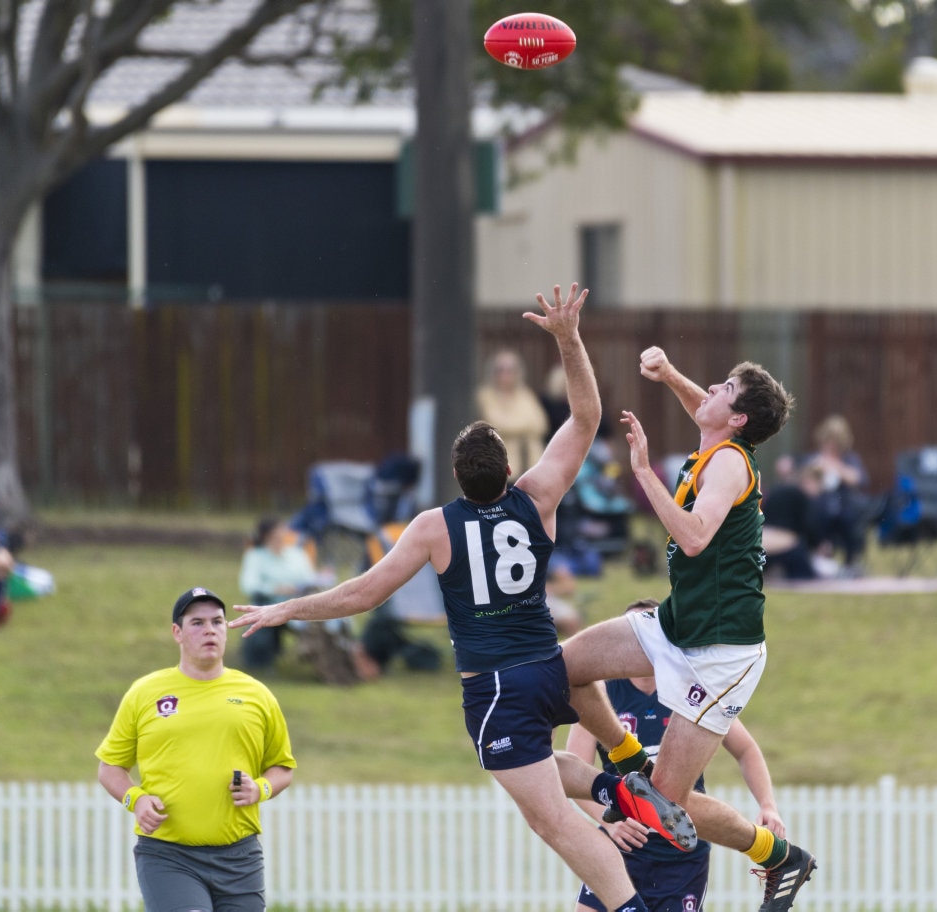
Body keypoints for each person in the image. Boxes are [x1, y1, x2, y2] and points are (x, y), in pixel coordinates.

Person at [231, 284, 690, 912]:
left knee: (554, 822)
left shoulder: (433, 527)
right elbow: (585, 417)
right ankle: (619, 783)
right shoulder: (537, 497)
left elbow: (363, 594)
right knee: (542, 766)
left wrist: (286, 607)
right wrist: (567, 337)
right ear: (508, 471)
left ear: (455, 476)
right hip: (549, 669)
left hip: (496, 690)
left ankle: (627, 904)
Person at [559, 346, 819, 912]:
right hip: (676, 627)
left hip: (722, 652)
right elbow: (704, 404)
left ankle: (779, 857)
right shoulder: (717, 439)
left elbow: (697, 536)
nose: (711, 390)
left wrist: (643, 474)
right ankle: (627, 755)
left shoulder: (728, 462)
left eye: (724, 388)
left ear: (739, 420)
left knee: (663, 801)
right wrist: (671, 373)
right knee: (565, 668)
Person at [567, 600, 787, 912]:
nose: (631, 646)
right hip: (623, 843)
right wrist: (609, 821)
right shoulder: (600, 694)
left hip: (682, 850)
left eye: (641, 637)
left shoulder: (689, 691)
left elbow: (746, 749)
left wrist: (768, 805)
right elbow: (576, 772)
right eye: (626, 635)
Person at [96, 587, 296, 912]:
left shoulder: (256, 694)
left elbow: (282, 768)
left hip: (240, 857)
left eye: (217, 622)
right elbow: (109, 768)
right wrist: (137, 799)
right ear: (177, 632)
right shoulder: (145, 693)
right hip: (169, 854)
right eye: (197, 623)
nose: (209, 631)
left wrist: (259, 789)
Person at [236, 516, 350, 681]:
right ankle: (260, 663)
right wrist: (276, 588)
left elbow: (309, 579)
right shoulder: (255, 556)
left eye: (284, 533)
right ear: (266, 536)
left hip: (300, 602)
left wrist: (321, 577)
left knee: (333, 620)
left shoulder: (296, 554)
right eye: (277, 534)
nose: (282, 537)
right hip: (269, 603)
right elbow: (249, 585)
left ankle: (335, 663)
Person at [799, 414, 871, 572]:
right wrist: (815, 470)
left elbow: (859, 479)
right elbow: (802, 485)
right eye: (828, 441)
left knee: (852, 516)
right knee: (814, 514)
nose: (831, 445)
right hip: (819, 510)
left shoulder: (849, 459)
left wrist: (836, 466)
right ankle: (821, 559)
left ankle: (851, 562)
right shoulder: (813, 459)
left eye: (835, 442)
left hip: (844, 509)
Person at [476, 347, 549, 476]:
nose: (505, 374)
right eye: (500, 370)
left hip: (530, 467)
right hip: (499, 469)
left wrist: (513, 425)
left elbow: (541, 424)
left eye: (510, 370)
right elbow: (495, 423)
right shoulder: (485, 395)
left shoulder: (526, 394)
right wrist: (525, 426)